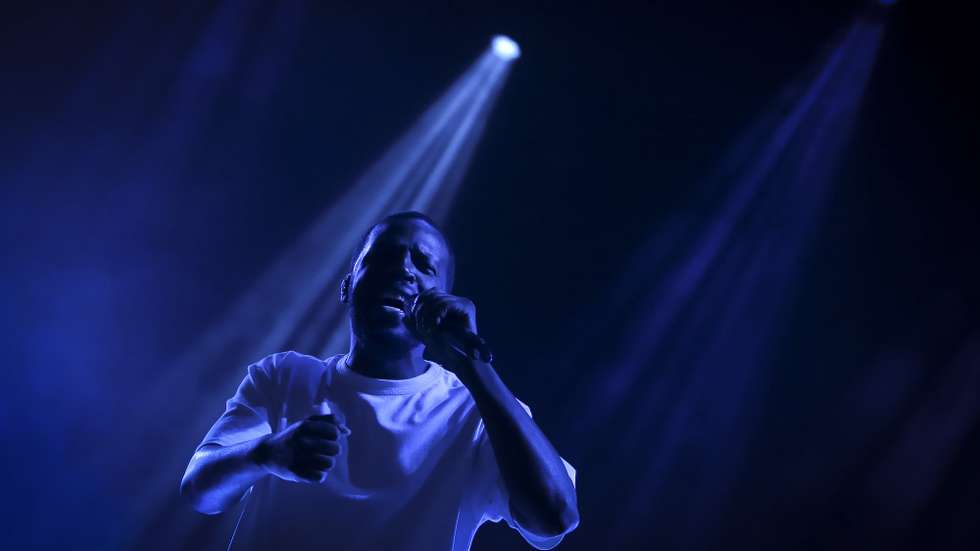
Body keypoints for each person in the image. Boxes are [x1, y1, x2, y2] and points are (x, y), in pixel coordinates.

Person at [180, 211, 579, 551]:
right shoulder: (284, 375)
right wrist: (267, 455)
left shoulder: (476, 408)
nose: (403, 268)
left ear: (443, 297)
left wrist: (473, 364)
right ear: (347, 285)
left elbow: (555, 517)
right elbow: (199, 488)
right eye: (384, 256)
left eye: (424, 265)